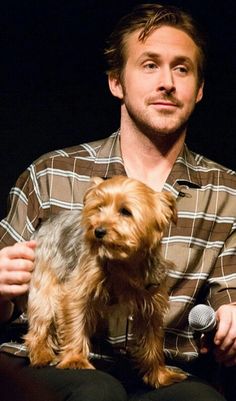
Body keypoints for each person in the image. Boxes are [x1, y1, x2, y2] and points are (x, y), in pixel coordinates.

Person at [0, 3, 236, 401]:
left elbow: (230, 292)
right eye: (149, 65)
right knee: (97, 392)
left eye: (181, 68)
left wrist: (231, 316)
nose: (167, 82)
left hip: (161, 366)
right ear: (116, 82)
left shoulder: (226, 191)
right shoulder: (51, 173)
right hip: (51, 362)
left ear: (198, 90)